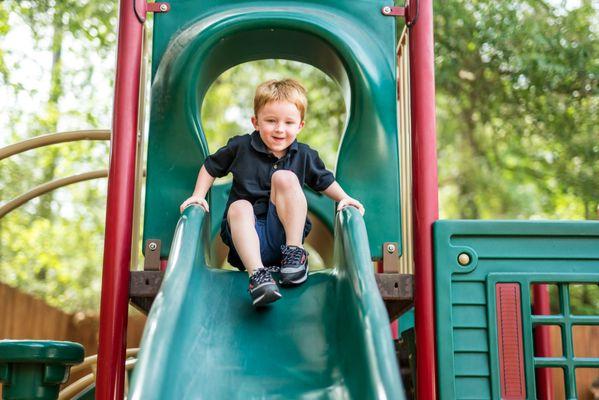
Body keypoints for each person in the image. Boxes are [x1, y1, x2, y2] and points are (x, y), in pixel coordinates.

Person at [180, 79, 364, 306]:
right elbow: (211, 167)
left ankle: (294, 255)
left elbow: (323, 180)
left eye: (289, 122)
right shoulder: (240, 147)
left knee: (285, 177)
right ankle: (258, 277)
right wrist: (198, 196)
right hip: (246, 240)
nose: (280, 129)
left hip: (283, 237)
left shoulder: (304, 155)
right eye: (271, 121)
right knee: (239, 206)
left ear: (300, 126)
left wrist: (344, 198)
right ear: (255, 122)